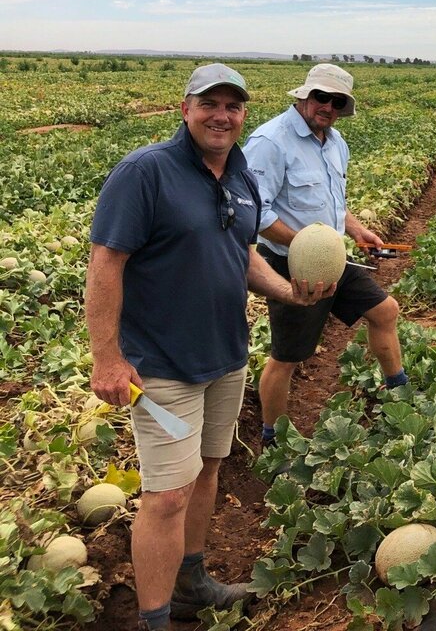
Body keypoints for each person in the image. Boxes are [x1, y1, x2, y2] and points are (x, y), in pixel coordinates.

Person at [86, 64, 332, 631]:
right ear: (185, 109)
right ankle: (154, 619)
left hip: (226, 356)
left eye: (232, 106)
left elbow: (243, 256)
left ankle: (191, 584)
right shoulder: (145, 172)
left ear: (244, 114)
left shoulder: (242, 176)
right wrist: (107, 357)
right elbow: (106, 261)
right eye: (209, 104)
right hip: (162, 365)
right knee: (166, 495)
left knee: (207, 471)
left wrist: (289, 292)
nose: (221, 116)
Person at [243, 64, 407, 447]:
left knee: (385, 311)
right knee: (287, 356)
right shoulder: (271, 142)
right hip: (291, 263)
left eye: (337, 102)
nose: (328, 107)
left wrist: (355, 229)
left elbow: (332, 202)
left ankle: (399, 394)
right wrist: (306, 244)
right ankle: (273, 440)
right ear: (304, 95)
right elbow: (255, 211)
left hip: (333, 255)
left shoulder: (335, 143)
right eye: (321, 97)